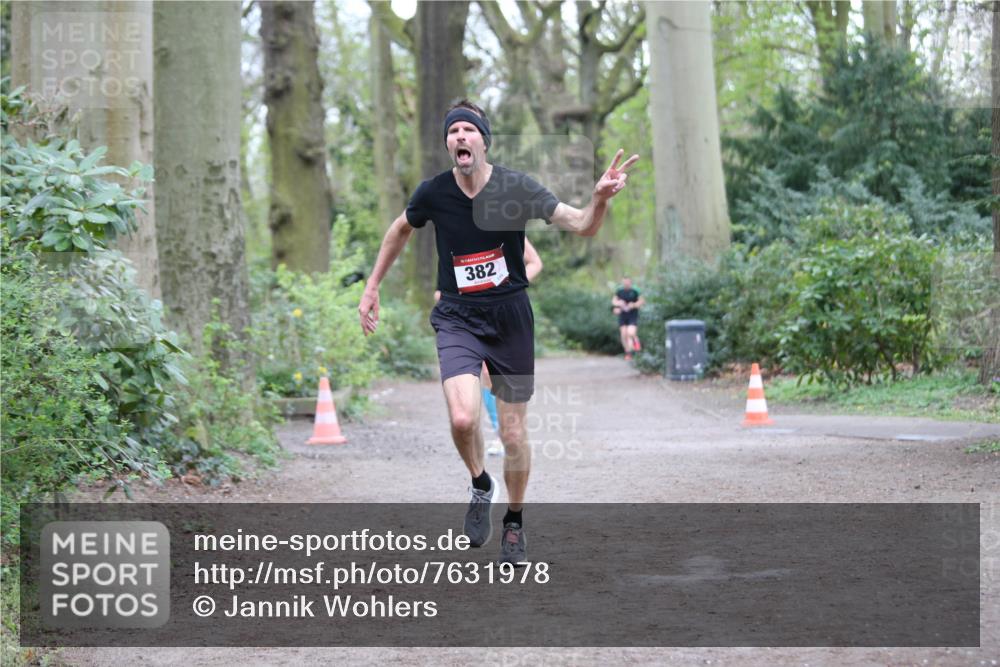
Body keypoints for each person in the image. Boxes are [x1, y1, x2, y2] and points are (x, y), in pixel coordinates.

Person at [358, 99, 637, 564]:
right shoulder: (433, 193)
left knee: (512, 433)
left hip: (509, 318)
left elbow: (582, 225)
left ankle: (514, 521)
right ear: (448, 143)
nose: (460, 137)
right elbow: (399, 230)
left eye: (469, 129)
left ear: (483, 140)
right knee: (464, 418)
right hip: (458, 316)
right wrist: (372, 287)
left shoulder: (516, 187)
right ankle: (479, 482)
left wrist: (599, 200)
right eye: (453, 131)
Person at [435, 240, 543, 457]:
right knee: (484, 375)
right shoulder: (454, 227)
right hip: (466, 317)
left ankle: (506, 434)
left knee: (496, 376)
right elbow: (441, 290)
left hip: (503, 313)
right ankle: (499, 433)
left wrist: (506, 284)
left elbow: (535, 263)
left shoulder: (505, 225)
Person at [612, 277, 644, 361]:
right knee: (624, 334)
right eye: (624, 282)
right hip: (623, 315)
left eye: (627, 282)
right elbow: (614, 301)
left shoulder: (635, 291)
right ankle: (628, 352)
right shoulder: (619, 291)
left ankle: (636, 343)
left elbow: (641, 301)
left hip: (632, 315)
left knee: (631, 333)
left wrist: (633, 305)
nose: (626, 284)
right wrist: (618, 304)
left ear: (630, 283)